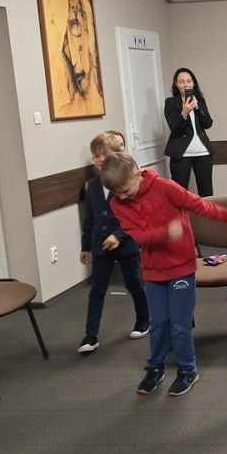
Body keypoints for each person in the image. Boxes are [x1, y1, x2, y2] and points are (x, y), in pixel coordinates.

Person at [100, 152, 227, 397]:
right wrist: (166, 232)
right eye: (116, 193)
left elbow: (202, 207)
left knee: (179, 324)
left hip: (181, 266)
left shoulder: (166, 188)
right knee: (158, 324)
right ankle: (155, 368)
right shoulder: (118, 203)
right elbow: (139, 236)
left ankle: (187, 370)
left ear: (137, 174)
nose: (121, 197)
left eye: (125, 190)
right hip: (153, 270)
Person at [77, 131, 150, 355]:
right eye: (95, 156)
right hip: (100, 246)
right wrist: (86, 246)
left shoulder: (127, 184)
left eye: (104, 154)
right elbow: (89, 218)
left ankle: (143, 320)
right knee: (97, 290)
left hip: (126, 244)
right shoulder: (92, 185)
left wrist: (118, 236)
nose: (99, 159)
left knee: (133, 283)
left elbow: (134, 216)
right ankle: (91, 335)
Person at [164, 67, 215, 197]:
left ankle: (207, 212)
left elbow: (208, 123)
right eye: (181, 82)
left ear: (193, 83)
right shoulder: (171, 103)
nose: (185, 84)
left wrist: (197, 107)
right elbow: (175, 128)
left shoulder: (200, 101)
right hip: (181, 153)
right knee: (180, 194)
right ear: (176, 84)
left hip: (203, 152)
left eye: (189, 81)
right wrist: (184, 112)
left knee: (207, 193)